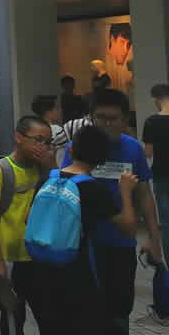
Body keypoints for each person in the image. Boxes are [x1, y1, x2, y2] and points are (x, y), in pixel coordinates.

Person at [61, 88, 163, 334]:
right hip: (84, 245)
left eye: (113, 118)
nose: (106, 124)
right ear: (91, 117)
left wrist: (153, 236)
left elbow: (144, 193)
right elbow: (66, 189)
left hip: (121, 243)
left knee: (119, 310)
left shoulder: (132, 149)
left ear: (125, 120)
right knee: (88, 310)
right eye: (100, 117)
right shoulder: (77, 148)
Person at [36, 126, 138, 334]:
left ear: (71, 151)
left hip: (43, 267)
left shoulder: (49, 178)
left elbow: (29, 219)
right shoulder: (94, 189)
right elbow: (128, 227)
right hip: (78, 270)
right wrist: (125, 191)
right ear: (102, 160)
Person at [0, 115, 53, 335]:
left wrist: (51, 166)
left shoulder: (44, 169)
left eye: (47, 142)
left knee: (49, 315)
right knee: (13, 319)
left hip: (39, 255)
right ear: (18, 137)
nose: (42, 147)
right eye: (37, 140)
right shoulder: (0, 169)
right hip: (10, 258)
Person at [144, 84, 169, 262]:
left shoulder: (152, 121)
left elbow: (148, 152)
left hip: (162, 174)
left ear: (155, 98)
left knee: (166, 224)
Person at [33, 94, 69, 167]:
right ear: (48, 112)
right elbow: (61, 159)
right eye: (57, 108)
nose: (60, 110)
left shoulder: (32, 129)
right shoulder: (57, 130)